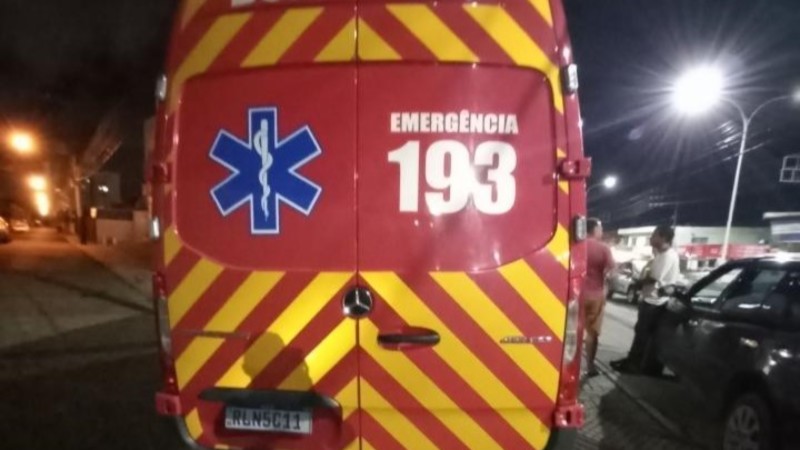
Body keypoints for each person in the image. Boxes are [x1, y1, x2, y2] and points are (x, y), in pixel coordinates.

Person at [610, 225, 680, 374]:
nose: (651, 238)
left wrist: (638, 282)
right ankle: (632, 361)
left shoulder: (667, 256)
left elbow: (654, 278)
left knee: (642, 334)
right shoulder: (662, 255)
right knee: (640, 333)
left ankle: (633, 365)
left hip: (654, 303)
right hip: (651, 300)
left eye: (654, 235)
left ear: (663, 237)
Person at [582, 218, 614, 377]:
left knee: (572, 330)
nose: (601, 232)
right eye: (600, 229)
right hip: (595, 295)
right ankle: (590, 367)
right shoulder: (603, 248)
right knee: (592, 333)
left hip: (575, 295)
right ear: (594, 230)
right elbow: (611, 271)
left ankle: (568, 366)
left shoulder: (577, 245)